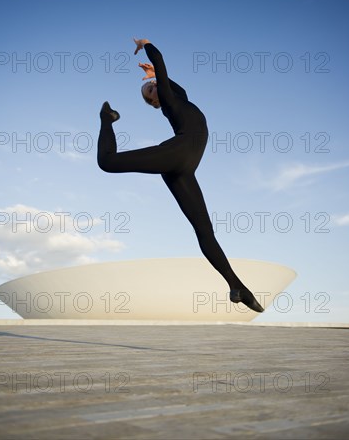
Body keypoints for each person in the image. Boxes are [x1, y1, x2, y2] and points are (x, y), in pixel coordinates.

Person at [97, 38, 264, 313]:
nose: (154, 86)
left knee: (205, 231)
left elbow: (175, 85)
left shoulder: (180, 98)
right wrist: (147, 44)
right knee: (108, 162)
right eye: (151, 89)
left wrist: (154, 76)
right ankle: (107, 118)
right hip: (177, 152)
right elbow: (160, 60)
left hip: (184, 168)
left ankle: (237, 286)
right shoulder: (170, 105)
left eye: (152, 85)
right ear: (155, 101)